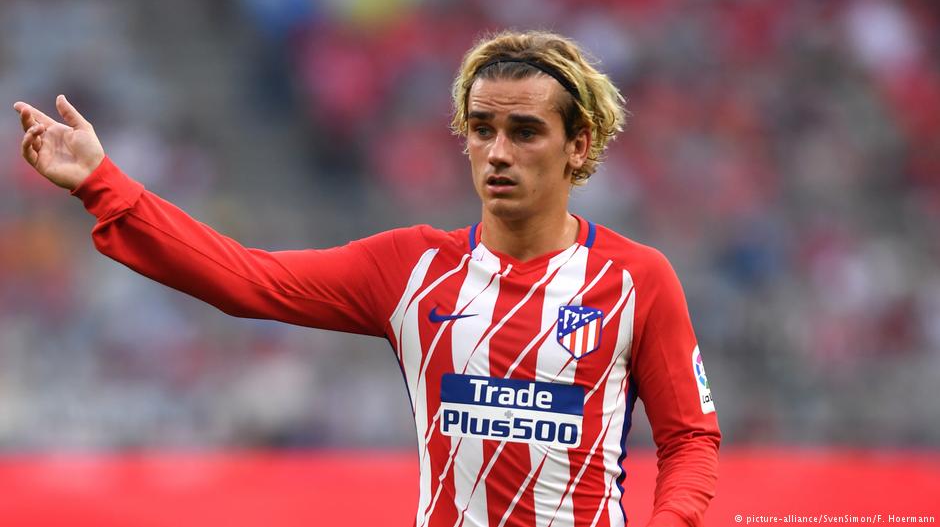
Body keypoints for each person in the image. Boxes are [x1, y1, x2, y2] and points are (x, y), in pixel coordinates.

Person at [14, 30, 720, 527]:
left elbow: (689, 438)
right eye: (481, 129)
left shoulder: (637, 279)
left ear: (578, 145)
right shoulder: (412, 268)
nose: (498, 151)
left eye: (525, 131)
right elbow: (246, 278)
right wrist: (102, 184)